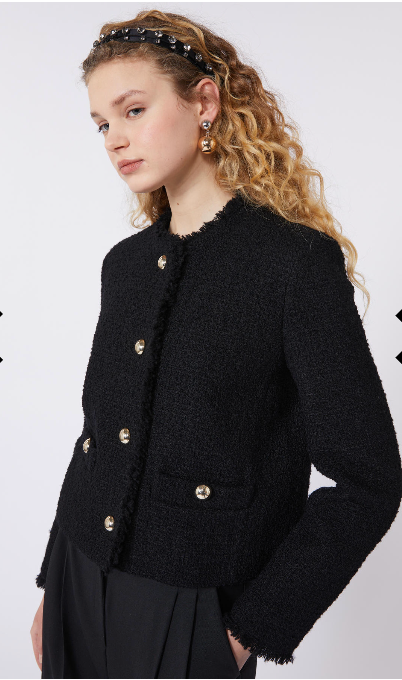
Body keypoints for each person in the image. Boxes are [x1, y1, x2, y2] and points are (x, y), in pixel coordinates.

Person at [30, 9, 402, 680]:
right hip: (77, 582)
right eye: (101, 124)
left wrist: (247, 629)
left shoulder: (292, 265)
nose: (115, 139)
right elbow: (98, 437)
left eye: (133, 110)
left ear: (204, 102)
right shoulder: (126, 266)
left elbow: (368, 479)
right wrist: (52, 582)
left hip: (193, 609)